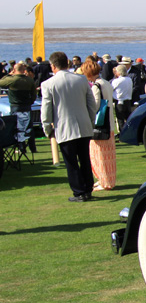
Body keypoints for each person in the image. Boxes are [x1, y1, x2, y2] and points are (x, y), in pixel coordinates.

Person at [41, 52, 97, 201]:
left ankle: (79, 192)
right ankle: (87, 189)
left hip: (64, 127)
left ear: (53, 66)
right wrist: (90, 121)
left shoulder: (48, 84)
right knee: (84, 159)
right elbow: (92, 104)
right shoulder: (81, 80)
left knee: (71, 162)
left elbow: (46, 110)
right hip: (83, 125)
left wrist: (47, 128)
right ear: (67, 63)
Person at [81, 60, 118, 190]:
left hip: (101, 124)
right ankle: (106, 179)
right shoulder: (106, 83)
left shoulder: (96, 86)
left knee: (99, 155)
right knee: (108, 155)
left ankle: (105, 181)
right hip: (109, 123)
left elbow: (95, 106)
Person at [0, 62, 37, 152]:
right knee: (29, 127)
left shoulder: (12, 79)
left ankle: (21, 147)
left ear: (14, 70)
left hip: (15, 106)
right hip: (27, 106)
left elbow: (1, 82)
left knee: (17, 127)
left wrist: (8, 74)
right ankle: (33, 147)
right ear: (24, 70)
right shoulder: (29, 80)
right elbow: (34, 95)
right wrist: (30, 102)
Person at [111, 64, 133, 131]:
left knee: (120, 120)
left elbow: (111, 89)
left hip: (119, 101)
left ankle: (122, 134)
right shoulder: (129, 79)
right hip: (128, 101)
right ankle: (129, 132)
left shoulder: (117, 81)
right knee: (128, 119)